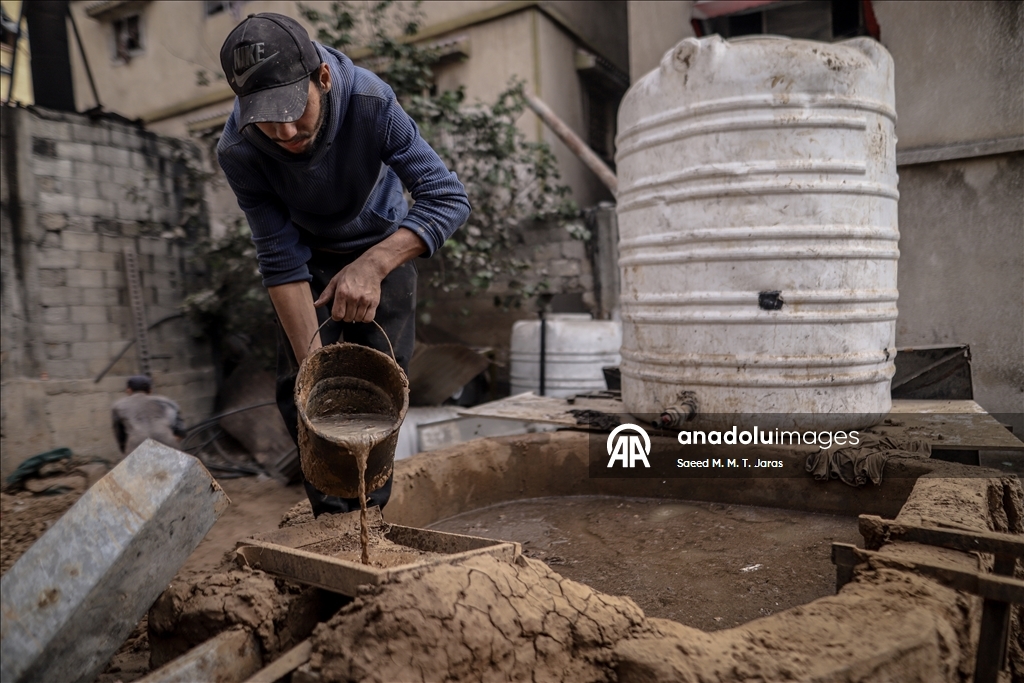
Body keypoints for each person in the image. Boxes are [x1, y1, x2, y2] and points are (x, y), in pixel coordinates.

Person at [216, 14, 470, 517]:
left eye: (294, 108)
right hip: (305, 260)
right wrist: (315, 370)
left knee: (380, 386)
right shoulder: (240, 150)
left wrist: (373, 265)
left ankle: (370, 515)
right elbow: (279, 257)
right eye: (266, 117)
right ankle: (332, 521)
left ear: (324, 78)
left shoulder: (371, 102)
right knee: (305, 392)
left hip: (384, 244)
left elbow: (446, 197)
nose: (284, 131)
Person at [111, 375, 187, 455]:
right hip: (168, 446)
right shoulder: (166, 402)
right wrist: (165, 444)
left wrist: (126, 451)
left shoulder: (119, 406)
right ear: (150, 391)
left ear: (129, 390)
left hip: (138, 449)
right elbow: (181, 431)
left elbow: (121, 437)